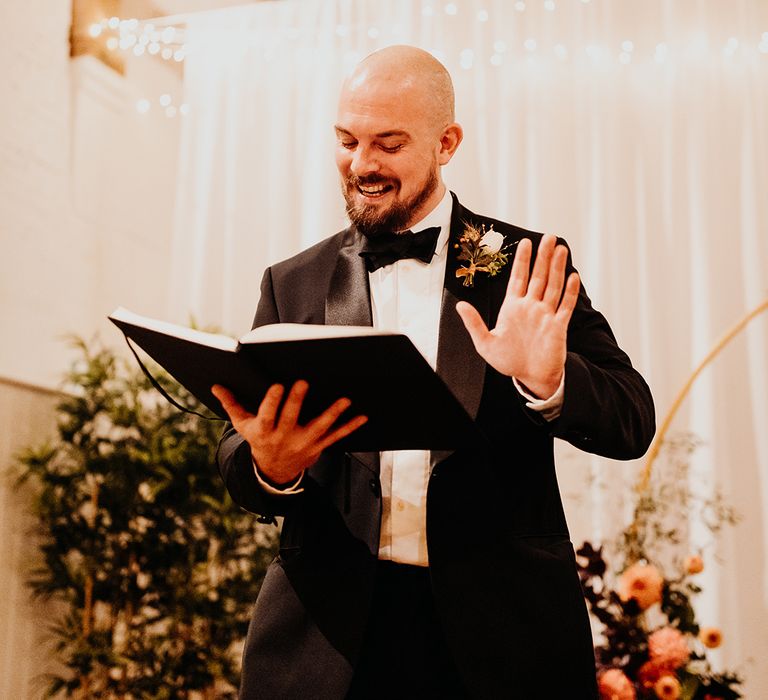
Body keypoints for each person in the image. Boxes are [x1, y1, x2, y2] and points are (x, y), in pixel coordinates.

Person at [212, 45, 655, 699]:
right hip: (328, 643)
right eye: (346, 141)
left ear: (446, 142)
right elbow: (237, 455)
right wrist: (272, 468)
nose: (361, 165)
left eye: (388, 144)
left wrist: (549, 379)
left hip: (498, 644)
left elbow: (631, 420)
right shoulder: (293, 282)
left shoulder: (520, 266)